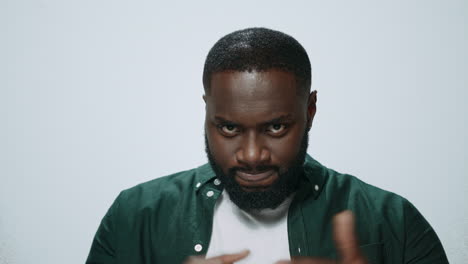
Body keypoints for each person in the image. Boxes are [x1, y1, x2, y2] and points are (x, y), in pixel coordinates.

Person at [86, 27, 448, 264]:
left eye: (276, 127)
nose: (252, 155)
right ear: (207, 110)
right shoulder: (133, 217)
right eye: (228, 127)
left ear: (310, 110)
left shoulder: (393, 221)